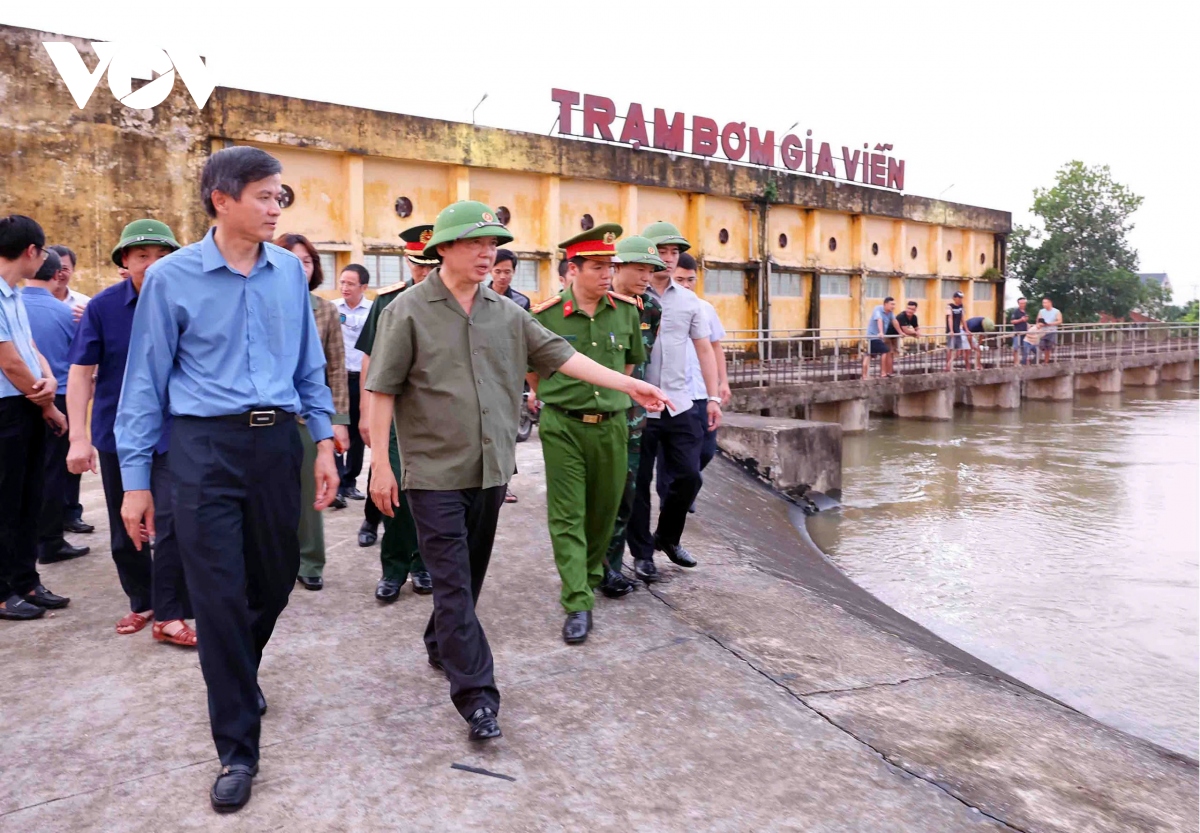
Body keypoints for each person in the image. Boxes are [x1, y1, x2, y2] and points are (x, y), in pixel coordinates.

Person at [366, 200, 670, 741]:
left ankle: (440, 641)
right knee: (454, 582)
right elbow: (382, 388)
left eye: (493, 246)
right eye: (476, 244)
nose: (488, 255)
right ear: (445, 249)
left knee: (470, 577)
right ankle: (477, 696)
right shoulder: (406, 311)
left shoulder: (507, 314)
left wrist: (630, 385)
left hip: (489, 469)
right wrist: (380, 468)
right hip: (432, 470)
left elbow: (562, 356)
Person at [115, 146, 338, 813]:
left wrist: (323, 441)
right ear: (222, 198)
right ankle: (238, 745)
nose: (276, 208)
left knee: (272, 581)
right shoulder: (172, 278)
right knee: (216, 596)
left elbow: (307, 366)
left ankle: (237, 670)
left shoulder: (286, 277)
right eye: (266, 196)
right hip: (202, 447)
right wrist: (134, 479)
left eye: (281, 197)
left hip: (277, 445)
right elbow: (144, 382)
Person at [66, 219, 194, 644]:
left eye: (162, 256)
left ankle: (170, 610)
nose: (153, 265)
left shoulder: (190, 303)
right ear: (124, 261)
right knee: (127, 525)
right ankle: (142, 601)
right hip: (119, 434)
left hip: (177, 430)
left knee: (175, 520)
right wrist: (78, 437)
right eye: (143, 256)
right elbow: (82, 373)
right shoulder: (103, 308)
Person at [529, 223, 645, 643]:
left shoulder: (627, 311)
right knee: (567, 514)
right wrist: (558, 397)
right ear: (573, 269)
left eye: (609, 267)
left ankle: (591, 572)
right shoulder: (542, 317)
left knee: (603, 512)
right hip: (563, 426)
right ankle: (577, 599)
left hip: (611, 426)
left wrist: (608, 400)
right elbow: (533, 369)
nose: (606, 275)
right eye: (597, 267)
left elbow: (629, 368)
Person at [627, 221, 721, 583]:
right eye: (660, 251)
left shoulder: (690, 303)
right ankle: (642, 554)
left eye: (672, 253)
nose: (667, 259)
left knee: (687, 478)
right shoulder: (629, 296)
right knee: (638, 484)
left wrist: (712, 397)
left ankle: (667, 537)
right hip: (639, 405)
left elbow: (705, 349)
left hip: (680, 403)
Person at [355, 226, 435, 601]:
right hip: (393, 416)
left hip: (434, 418)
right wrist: (364, 412)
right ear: (408, 262)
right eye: (419, 266)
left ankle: (423, 566)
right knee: (394, 495)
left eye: (432, 265)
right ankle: (394, 569)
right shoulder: (387, 302)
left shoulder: (448, 302)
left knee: (430, 498)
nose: (425, 273)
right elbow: (369, 359)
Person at [0, 215, 70, 621]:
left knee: (30, 498)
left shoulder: (13, 295)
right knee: (5, 502)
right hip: (7, 408)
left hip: (27, 401)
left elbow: (28, 348)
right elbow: (8, 362)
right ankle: (2, 589)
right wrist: (46, 401)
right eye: (42, 253)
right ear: (31, 252)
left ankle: (26, 580)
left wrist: (47, 378)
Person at [276, 234, 350, 592]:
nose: (299, 267)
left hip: (309, 417)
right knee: (269, 495)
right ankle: (274, 560)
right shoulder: (262, 303)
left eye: (306, 261)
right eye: (291, 259)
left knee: (311, 493)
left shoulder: (326, 310)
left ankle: (310, 560)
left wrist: (338, 422)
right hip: (270, 415)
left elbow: (335, 368)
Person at [23, 249, 91, 565]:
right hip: (60, 398)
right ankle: (49, 542)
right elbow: (84, 362)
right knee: (52, 473)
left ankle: (26, 539)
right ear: (56, 274)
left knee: (23, 472)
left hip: (19, 397)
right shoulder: (68, 314)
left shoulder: (12, 306)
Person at [604, 234, 663, 584]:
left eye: (650, 271)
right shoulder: (596, 303)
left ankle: (613, 565)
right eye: (639, 269)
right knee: (598, 494)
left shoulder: (651, 308)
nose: (646, 276)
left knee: (628, 492)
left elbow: (642, 359)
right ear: (618, 267)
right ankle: (592, 565)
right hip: (595, 412)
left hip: (633, 416)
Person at [656, 251, 728, 511]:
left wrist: (722, 385)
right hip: (675, 394)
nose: (685, 285)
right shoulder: (655, 304)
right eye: (680, 279)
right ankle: (671, 497)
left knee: (707, 450)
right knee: (671, 453)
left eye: (690, 279)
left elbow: (715, 347)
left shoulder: (703, 308)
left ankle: (685, 487)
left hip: (701, 392)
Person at [48, 243, 91, 532]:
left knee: (72, 452)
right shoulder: (25, 302)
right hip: (38, 389)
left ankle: (71, 513)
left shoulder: (84, 305)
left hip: (70, 388)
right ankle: (47, 521)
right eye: (57, 268)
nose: (62, 274)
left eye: (67, 268)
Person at [335, 264, 372, 502]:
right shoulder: (332, 309)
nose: (345, 287)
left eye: (350, 283)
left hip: (363, 379)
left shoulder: (373, 310)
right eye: (342, 282)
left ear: (363, 287)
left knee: (359, 432)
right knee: (337, 428)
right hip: (338, 378)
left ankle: (350, 482)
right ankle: (337, 485)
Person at [47, 244, 90, 316]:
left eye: (64, 269)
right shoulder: (29, 302)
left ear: (73, 270)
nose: (58, 274)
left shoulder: (85, 304)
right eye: (53, 268)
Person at [862, 297, 899, 379]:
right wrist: (881, 332)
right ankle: (883, 373)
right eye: (892, 304)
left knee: (869, 354)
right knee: (885, 350)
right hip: (873, 336)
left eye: (894, 304)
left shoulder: (890, 313)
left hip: (878, 338)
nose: (893, 306)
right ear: (885, 304)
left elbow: (894, 321)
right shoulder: (877, 309)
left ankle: (864, 376)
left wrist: (900, 332)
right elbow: (879, 320)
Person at [945, 290, 969, 371]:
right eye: (959, 298)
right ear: (954, 298)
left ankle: (950, 364)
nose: (960, 299)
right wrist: (951, 330)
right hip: (951, 330)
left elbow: (962, 318)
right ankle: (947, 366)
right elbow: (950, 318)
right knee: (950, 348)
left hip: (958, 330)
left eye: (961, 298)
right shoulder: (950, 306)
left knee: (959, 350)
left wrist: (967, 330)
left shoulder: (961, 306)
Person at [1037, 297, 1062, 363]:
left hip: (1051, 331)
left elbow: (1059, 321)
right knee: (1041, 346)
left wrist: (1050, 323)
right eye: (1043, 303)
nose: (1044, 304)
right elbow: (1038, 320)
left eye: (1045, 302)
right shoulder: (1041, 311)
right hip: (1043, 331)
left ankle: (1046, 361)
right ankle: (1038, 359)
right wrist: (1040, 324)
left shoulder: (1056, 311)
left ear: (1050, 303)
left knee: (1048, 347)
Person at [1010, 297, 1030, 366]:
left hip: (1025, 332)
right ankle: (1016, 362)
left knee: (1024, 348)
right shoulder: (1016, 311)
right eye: (1021, 303)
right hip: (1017, 332)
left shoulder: (1025, 311)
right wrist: (1020, 320)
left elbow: (1026, 320)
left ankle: (1024, 362)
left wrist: (1027, 323)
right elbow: (1012, 321)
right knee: (1016, 347)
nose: (1023, 304)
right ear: (1018, 303)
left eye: (1024, 303)